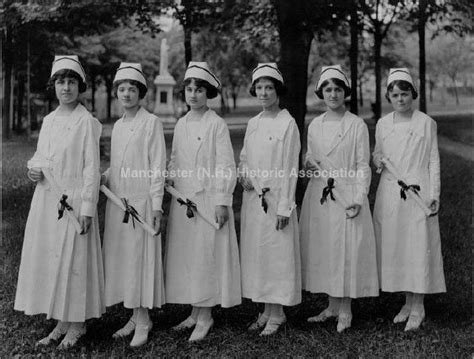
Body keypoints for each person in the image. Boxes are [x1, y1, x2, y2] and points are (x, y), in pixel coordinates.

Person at [14, 55, 104, 349]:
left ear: (81, 86)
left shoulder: (87, 122)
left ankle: (78, 324)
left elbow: (91, 168)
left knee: (74, 261)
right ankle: (62, 321)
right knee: (54, 260)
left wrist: (88, 207)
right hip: (47, 199)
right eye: (61, 82)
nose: (66, 88)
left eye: (72, 82)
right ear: (53, 86)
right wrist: (33, 171)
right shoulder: (49, 121)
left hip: (75, 200)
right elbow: (41, 159)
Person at [165, 61, 241, 341]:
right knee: (189, 257)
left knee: (206, 257)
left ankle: (206, 315)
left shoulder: (216, 124)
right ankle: (195, 311)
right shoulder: (182, 123)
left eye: (199, 89)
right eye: (189, 89)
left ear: (208, 93)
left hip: (207, 199)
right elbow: (176, 158)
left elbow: (225, 165)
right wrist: (170, 176)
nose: (194, 94)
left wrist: (222, 200)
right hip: (184, 199)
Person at [299, 65, 379, 332]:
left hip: (346, 194)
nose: (332, 94)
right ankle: (332, 305)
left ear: (345, 92)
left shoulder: (356, 125)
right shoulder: (315, 126)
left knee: (345, 249)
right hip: (321, 193)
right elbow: (311, 159)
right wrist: (308, 166)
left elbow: (362, 165)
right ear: (321, 92)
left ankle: (345, 309)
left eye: (338, 89)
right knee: (326, 249)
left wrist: (358, 196)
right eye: (328, 89)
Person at [373, 68, 446, 331]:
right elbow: (378, 156)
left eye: (405, 94)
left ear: (412, 95)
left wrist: (433, 194)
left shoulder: (426, 122)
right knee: (398, 247)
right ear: (388, 97)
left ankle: (419, 305)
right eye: (395, 95)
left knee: (417, 245)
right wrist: (377, 161)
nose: (400, 99)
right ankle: (407, 301)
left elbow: (433, 161)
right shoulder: (383, 124)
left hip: (418, 190)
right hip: (391, 191)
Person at [101, 63, 166, 347]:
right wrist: (101, 177)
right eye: (122, 89)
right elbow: (117, 166)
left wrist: (156, 206)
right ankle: (133, 315)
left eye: (132, 89)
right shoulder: (117, 125)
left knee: (140, 259)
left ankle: (144, 320)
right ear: (117, 92)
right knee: (125, 260)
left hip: (141, 200)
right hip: (119, 202)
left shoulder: (150, 122)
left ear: (141, 93)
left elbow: (157, 167)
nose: (126, 94)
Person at [239, 63, 301, 336]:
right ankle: (264, 309)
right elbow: (244, 157)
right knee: (259, 255)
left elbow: (290, 169)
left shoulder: (288, 124)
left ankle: (278, 313)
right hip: (254, 200)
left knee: (277, 255)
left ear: (278, 91)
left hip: (277, 199)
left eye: (269, 88)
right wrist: (243, 175)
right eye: (260, 88)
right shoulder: (253, 123)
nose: (264, 93)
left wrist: (285, 207)